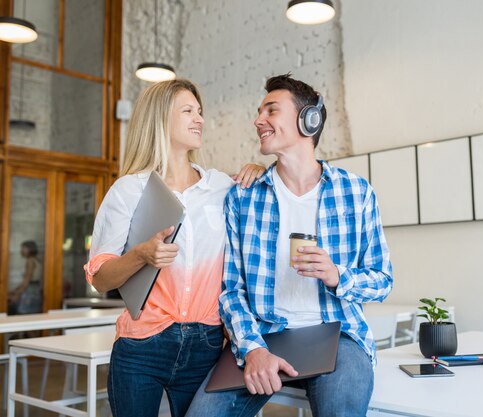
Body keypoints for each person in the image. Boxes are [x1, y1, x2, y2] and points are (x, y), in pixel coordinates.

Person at [186, 74, 393, 417]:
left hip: (338, 335)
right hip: (265, 337)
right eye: (258, 111)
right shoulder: (243, 196)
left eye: (271, 110)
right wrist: (252, 349)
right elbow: (231, 291)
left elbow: (383, 280)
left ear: (308, 120)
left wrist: (338, 276)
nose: (258, 120)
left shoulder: (356, 193)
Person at [84, 79, 265, 417]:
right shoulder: (128, 190)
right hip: (142, 345)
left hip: (209, 343)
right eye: (188, 111)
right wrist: (141, 254)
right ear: (159, 119)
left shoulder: (223, 187)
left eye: (200, 111)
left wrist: (261, 171)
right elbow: (101, 279)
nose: (200, 119)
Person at [8, 240, 42, 315]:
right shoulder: (36, 260)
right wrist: (14, 291)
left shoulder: (30, 261)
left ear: (29, 250)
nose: (21, 251)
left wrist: (16, 295)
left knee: (23, 315)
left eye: (23, 248)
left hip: (29, 292)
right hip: (35, 290)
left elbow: (26, 281)